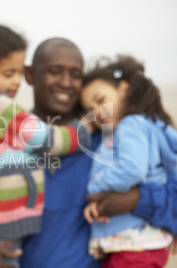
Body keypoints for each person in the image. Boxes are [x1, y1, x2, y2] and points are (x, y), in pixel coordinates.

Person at [0, 24, 91, 267]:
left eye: (19, 73)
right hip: (3, 216)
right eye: (9, 74)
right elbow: (49, 140)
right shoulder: (0, 105)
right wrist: (84, 129)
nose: (16, 82)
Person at [18, 38, 177, 268]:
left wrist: (136, 199)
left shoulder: (106, 144)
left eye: (75, 74)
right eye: (54, 71)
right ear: (31, 75)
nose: (66, 82)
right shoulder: (9, 142)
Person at [81, 55, 175, 267]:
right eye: (88, 109)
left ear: (125, 89)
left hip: (133, 247)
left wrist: (96, 190)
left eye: (100, 100)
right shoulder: (146, 126)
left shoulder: (130, 125)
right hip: (137, 245)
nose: (96, 112)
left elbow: (132, 169)